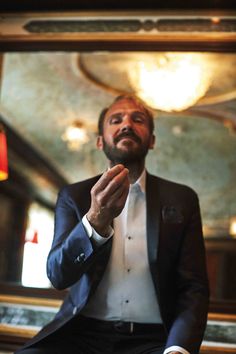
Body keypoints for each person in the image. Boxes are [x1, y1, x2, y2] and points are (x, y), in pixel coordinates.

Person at [17, 94, 209, 354]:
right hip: (80, 335)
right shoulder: (72, 196)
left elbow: (193, 288)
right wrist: (95, 219)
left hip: (154, 341)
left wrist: (178, 348)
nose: (126, 124)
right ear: (100, 141)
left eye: (137, 119)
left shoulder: (183, 199)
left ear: (151, 140)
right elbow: (58, 276)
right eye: (116, 120)